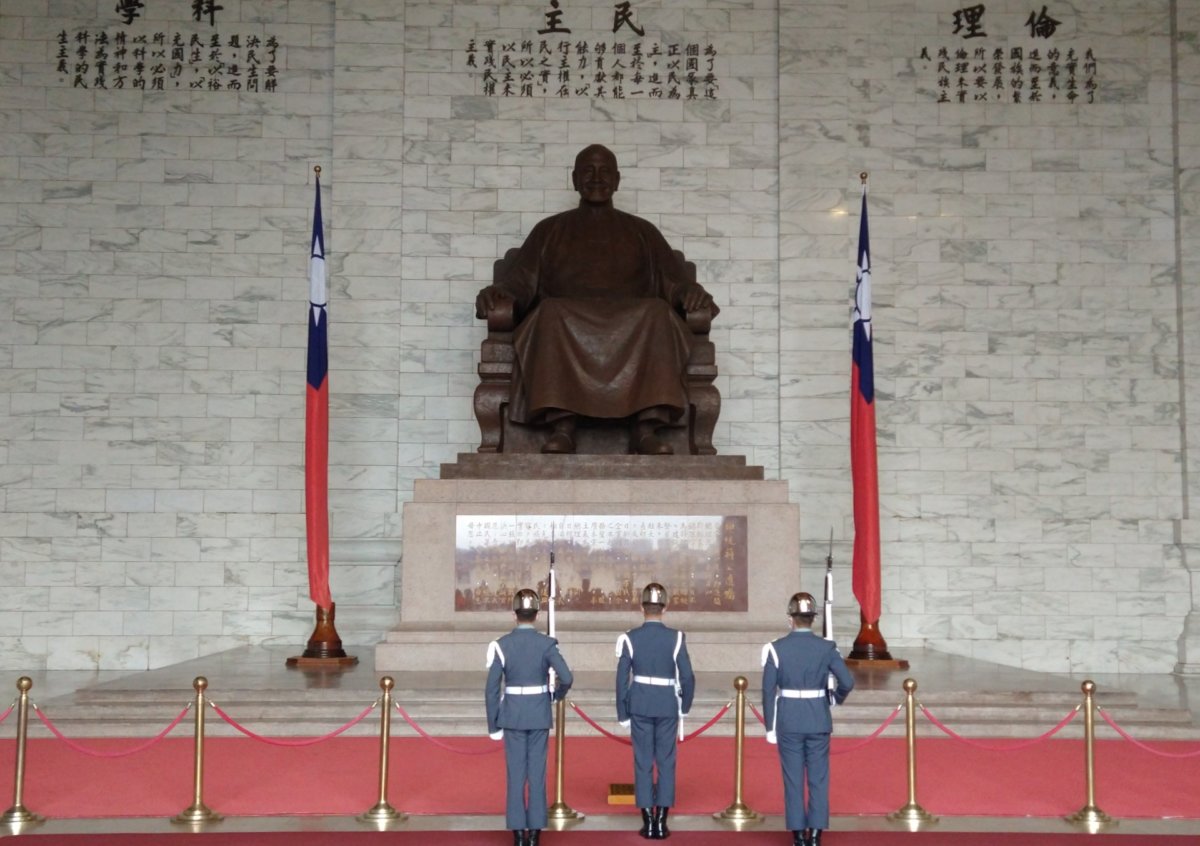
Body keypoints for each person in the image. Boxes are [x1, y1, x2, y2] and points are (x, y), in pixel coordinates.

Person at [475, 144, 718, 455]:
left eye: (605, 172)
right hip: (565, 319)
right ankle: (562, 426)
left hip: (634, 320)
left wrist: (690, 292)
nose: (596, 178)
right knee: (549, 311)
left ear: (617, 180)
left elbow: (673, 283)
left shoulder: (642, 231)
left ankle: (646, 428)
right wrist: (501, 292)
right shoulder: (549, 230)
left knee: (657, 312)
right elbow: (521, 282)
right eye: (587, 171)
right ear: (575, 180)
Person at [761, 592, 855, 846]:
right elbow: (847, 681)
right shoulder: (827, 647)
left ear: (790, 618)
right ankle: (815, 834)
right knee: (818, 778)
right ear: (812, 619)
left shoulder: (775, 648)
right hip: (818, 717)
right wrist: (834, 698)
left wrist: (770, 726)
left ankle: (797, 834)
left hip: (789, 719)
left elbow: (768, 691)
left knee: (793, 778)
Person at [486, 588, 574, 846]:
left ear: (514, 615)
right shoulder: (547, 644)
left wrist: (494, 724)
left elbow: (492, 688)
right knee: (537, 774)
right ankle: (534, 833)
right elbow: (567, 677)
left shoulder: (501, 645)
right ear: (536, 615)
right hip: (538, 712)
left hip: (512, 714)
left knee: (515, 774)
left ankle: (517, 833)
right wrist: (555, 695)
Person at [615, 582, 696, 839]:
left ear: (642, 608)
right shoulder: (676, 637)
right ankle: (662, 820)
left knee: (642, 761)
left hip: (639, 703)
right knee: (666, 760)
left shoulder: (630, 638)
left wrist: (622, 712)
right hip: (666, 704)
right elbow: (688, 677)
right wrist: (684, 706)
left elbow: (621, 679)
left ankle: (647, 819)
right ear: (665, 607)